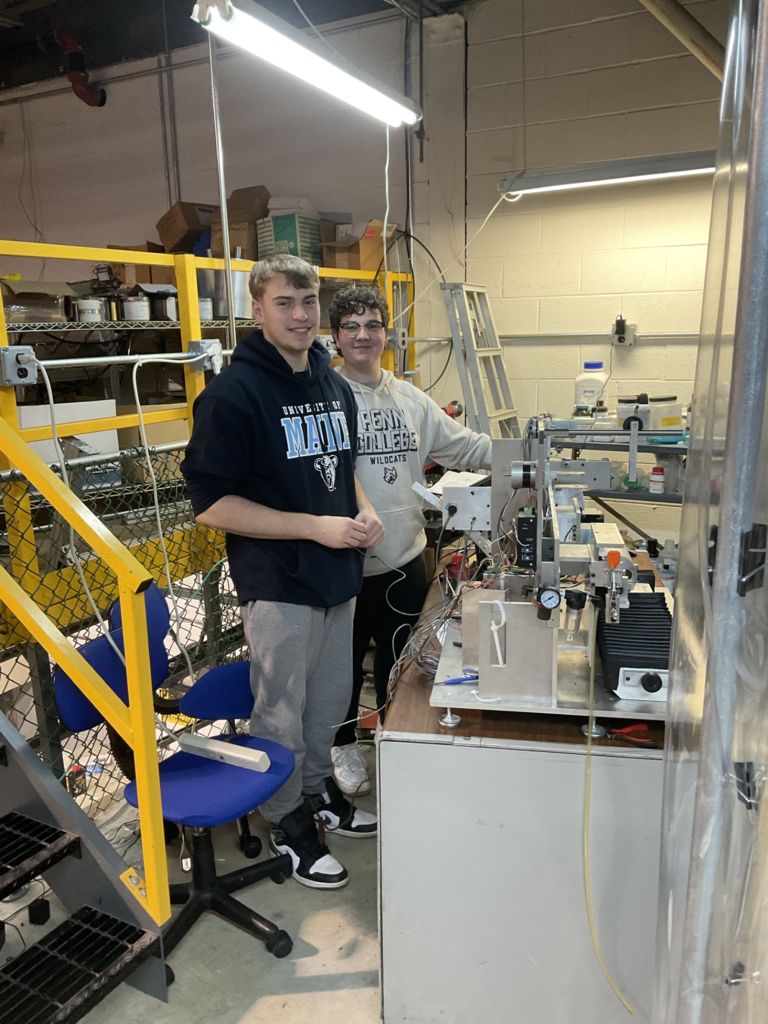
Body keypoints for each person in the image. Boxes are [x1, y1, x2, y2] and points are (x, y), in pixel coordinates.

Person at [181, 256, 384, 890]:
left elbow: (340, 464)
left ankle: (321, 796)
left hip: (336, 574)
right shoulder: (233, 395)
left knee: (326, 709)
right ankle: (288, 822)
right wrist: (312, 525)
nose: (300, 316)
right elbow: (212, 505)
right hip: (279, 581)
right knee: (282, 714)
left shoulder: (330, 381)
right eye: (285, 303)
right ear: (258, 310)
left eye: (308, 301)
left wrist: (364, 509)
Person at [328, 285, 493, 795]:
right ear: (335, 336)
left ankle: (395, 743)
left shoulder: (408, 399)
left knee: (401, 667)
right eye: (351, 326)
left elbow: (463, 445)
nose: (363, 335)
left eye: (372, 324)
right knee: (343, 672)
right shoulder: (325, 397)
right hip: (343, 565)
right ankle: (343, 745)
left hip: (403, 559)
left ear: (387, 334)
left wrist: (527, 450)